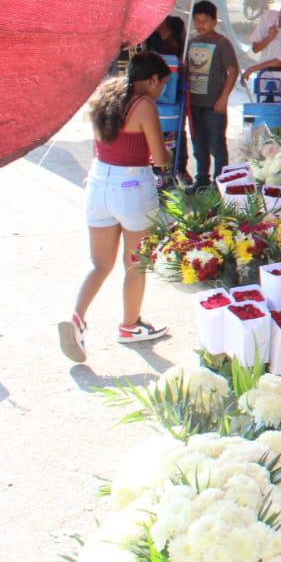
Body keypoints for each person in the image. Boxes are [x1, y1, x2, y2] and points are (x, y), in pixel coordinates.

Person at [59, 52, 174, 360]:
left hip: (97, 183)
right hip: (132, 187)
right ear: (152, 80)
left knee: (99, 264)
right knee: (135, 263)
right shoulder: (144, 105)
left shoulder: (105, 97)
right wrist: (169, 154)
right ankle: (130, 325)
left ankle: (76, 318)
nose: (161, 90)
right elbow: (160, 158)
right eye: (162, 84)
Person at [185, 0, 239, 188]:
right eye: (197, 21)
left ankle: (220, 181)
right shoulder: (190, 41)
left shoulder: (222, 43)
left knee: (217, 142)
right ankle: (201, 179)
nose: (200, 25)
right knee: (198, 143)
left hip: (214, 103)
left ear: (215, 21)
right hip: (194, 103)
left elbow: (233, 71)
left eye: (205, 21)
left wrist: (223, 98)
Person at [141, 14, 190, 183]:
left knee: (177, 128)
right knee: (153, 126)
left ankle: (179, 168)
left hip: (174, 85)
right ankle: (155, 169)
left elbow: (184, 51)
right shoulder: (148, 26)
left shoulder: (177, 24)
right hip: (152, 84)